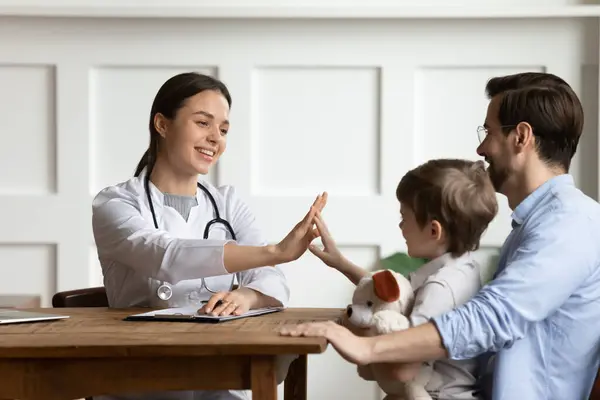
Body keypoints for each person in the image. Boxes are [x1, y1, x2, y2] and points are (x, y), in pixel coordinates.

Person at [280, 72, 600, 400]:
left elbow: (495, 315)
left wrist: (367, 347)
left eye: (488, 132)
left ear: (520, 137)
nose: (480, 147)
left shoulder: (570, 223)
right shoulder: (541, 223)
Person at [91, 72, 326, 400]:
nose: (216, 138)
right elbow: (166, 256)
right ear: (162, 124)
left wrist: (247, 297)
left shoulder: (228, 203)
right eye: (203, 123)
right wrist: (275, 251)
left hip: (222, 374)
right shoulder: (116, 203)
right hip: (143, 380)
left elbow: (271, 280)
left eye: (224, 129)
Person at [308, 158, 498, 399]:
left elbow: (403, 368)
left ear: (433, 231)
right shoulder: (461, 268)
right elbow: (398, 296)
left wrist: (350, 334)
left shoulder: (439, 288)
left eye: (404, 217)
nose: (400, 226)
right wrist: (340, 262)